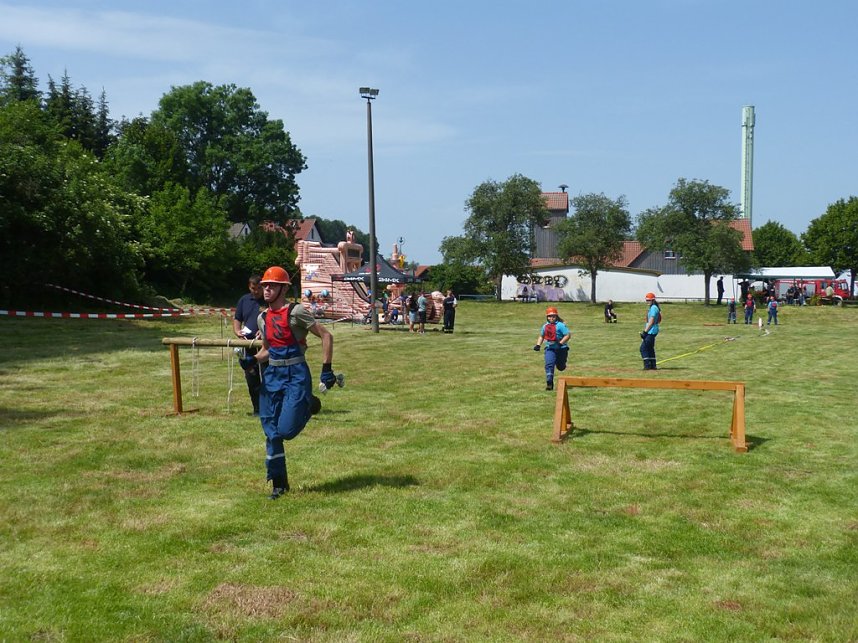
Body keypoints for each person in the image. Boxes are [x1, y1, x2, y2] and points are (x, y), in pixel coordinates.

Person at [240, 266, 338, 500]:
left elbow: (326, 335)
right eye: (264, 285)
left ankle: (308, 404)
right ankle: (279, 483)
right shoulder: (262, 318)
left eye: (272, 285)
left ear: (283, 288)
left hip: (295, 375)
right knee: (271, 431)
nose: (266, 289)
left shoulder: (296, 312)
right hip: (272, 376)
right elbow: (267, 349)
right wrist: (252, 360)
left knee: (285, 430)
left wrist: (326, 369)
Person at [233, 274, 265, 415]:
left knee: (267, 376)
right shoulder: (244, 300)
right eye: (253, 288)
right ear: (249, 287)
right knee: (251, 378)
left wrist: (263, 332)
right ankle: (257, 409)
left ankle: (270, 408)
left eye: (259, 288)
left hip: (265, 345)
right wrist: (237, 331)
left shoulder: (269, 300)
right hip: (247, 345)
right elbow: (237, 319)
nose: (256, 291)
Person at [533, 306, 570, 391]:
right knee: (549, 364)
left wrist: (560, 344)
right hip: (550, 348)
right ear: (547, 317)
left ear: (556, 316)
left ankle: (561, 364)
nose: (551, 318)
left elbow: (567, 335)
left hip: (561, 348)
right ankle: (549, 383)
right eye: (549, 316)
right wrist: (538, 345)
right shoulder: (545, 326)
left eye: (553, 316)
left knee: (561, 367)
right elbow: (541, 336)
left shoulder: (560, 325)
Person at [640, 292, 661, 370]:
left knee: (643, 348)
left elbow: (651, 321)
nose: (647, 302)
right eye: (647, 300)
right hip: (652, 330)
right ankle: (653, 365)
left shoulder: (653, 308)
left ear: (653, 300)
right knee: (650, 348)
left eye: (649, 300)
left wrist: (645, 332)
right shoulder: (654, 307)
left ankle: (647, 365)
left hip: (651, 331)